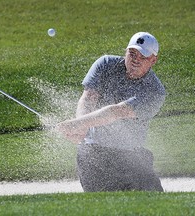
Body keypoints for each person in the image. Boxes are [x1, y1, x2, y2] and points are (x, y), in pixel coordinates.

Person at [55, 32, 166, 192]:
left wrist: (78, 124)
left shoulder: (155, 91)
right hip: (93, 154)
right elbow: (88, 99)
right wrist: (81, 129)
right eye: (132, 54)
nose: (135, 60)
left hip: (132, 158)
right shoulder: (105, 64)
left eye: (143, 57)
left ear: (153, 61)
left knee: (155, 205)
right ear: (126, 51)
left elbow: (119, 111)